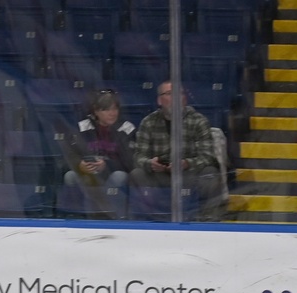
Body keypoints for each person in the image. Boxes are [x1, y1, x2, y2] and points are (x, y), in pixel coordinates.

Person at [130, 80, 225, 221]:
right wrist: (150, 163)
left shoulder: (198, 120)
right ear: (159, 100)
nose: (175, 97)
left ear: (185, 99)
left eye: (179, 93)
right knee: (136, 174)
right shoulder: (148, 122)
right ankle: (150, 220)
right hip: (160, 175)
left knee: (210, 173)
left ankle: (207, 221)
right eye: (169, 94)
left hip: (188, 175)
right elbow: (138, 156)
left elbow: (208, 156)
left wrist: (187, 163)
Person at [63, 89, 136, 219]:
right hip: (89, 172)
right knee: (70, 176)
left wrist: (107, 165)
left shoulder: (127, 128)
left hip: (113, 173)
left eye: (115, 109)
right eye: (106, 110)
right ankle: (76, 217)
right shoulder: (82, 127)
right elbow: (70, 153)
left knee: (119, 177)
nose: (112, 113)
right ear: (96, 111)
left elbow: (130, 161)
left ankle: (110, 216)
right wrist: (79, 165)